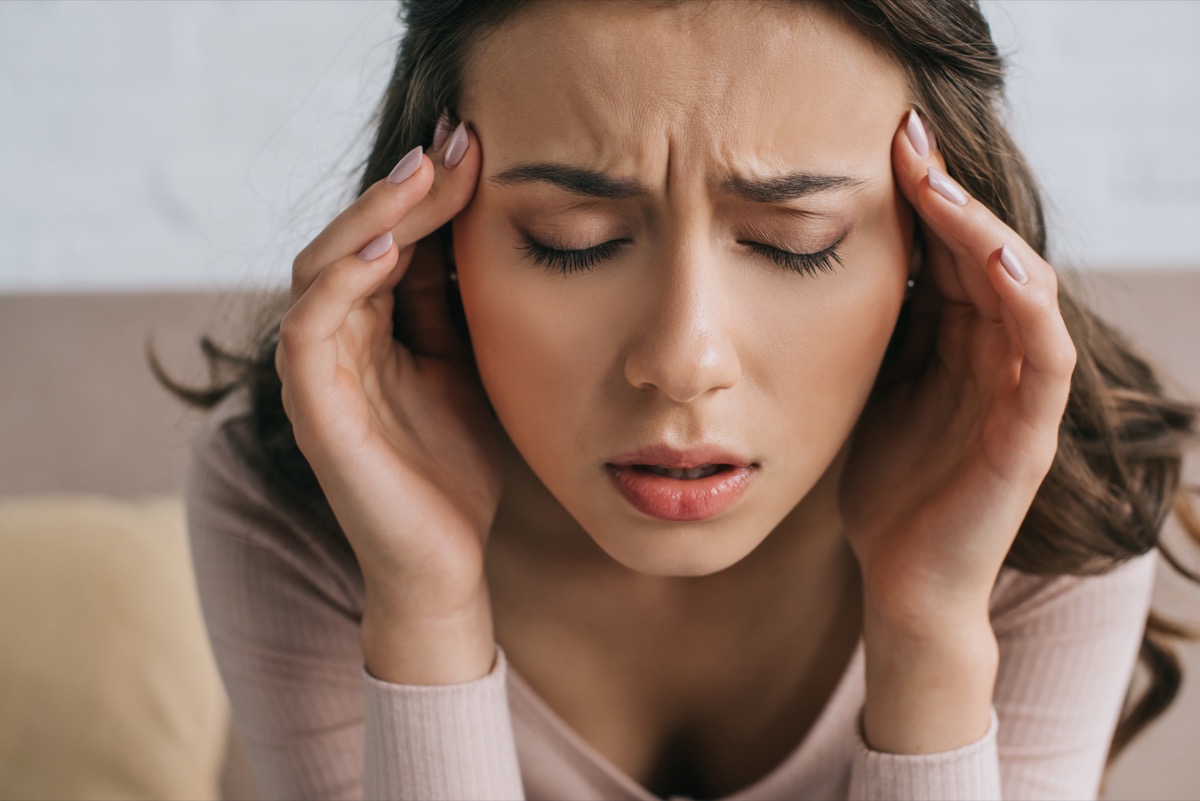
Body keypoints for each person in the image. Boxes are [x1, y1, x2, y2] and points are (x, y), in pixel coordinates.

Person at [155, 1, 1200, 799]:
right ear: (436, 242)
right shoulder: (298, 492)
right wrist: (424, 606)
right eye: (572, 239)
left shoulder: (1053, 484)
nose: (683, 360)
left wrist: (929, 627)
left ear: (934, 244)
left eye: (799, 245)